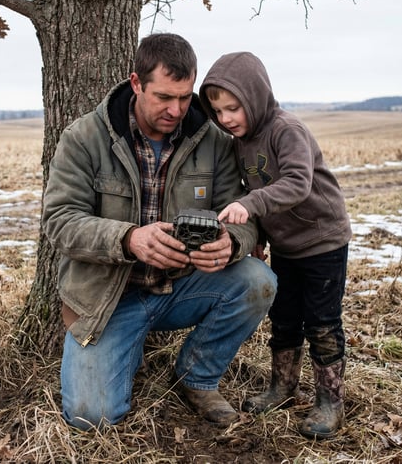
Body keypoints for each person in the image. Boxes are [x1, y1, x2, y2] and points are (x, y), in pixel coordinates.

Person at [42, 34, 277, 431]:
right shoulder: (84, 138)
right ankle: (123, 346)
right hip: (108, 299)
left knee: (258, 280)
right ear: (136, 83)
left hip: (183, 287)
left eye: (185, 97)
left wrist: (230, 244)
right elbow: (60, 222)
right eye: (164, 97)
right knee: (91, 416)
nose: (177, 109)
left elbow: (244, 215)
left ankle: (197, 377)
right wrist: (129, 239)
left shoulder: (213, 141)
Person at [199, 51, 352, 439]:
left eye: (233, 107)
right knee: (283, 319)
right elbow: (256, 189)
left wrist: (248, 207)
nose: (226, 119)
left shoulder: (287, 130)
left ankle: (330, 401)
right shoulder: (240, 143)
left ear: (255, 95)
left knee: (321, 323)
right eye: (218, 111)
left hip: (322, 243)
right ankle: (282, 387)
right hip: (286, 247)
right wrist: (258, 240)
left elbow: (297, 184)